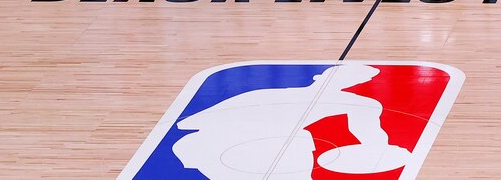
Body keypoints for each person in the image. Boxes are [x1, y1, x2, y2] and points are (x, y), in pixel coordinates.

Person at [172, 63, 407, 179]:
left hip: (275, 151)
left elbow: (373, 139)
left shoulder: (359, 104)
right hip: (216, 149)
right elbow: (189, 124)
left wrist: (383, 151)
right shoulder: (259, 97)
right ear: (320, 75)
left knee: (298, 144)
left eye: (356, 79)